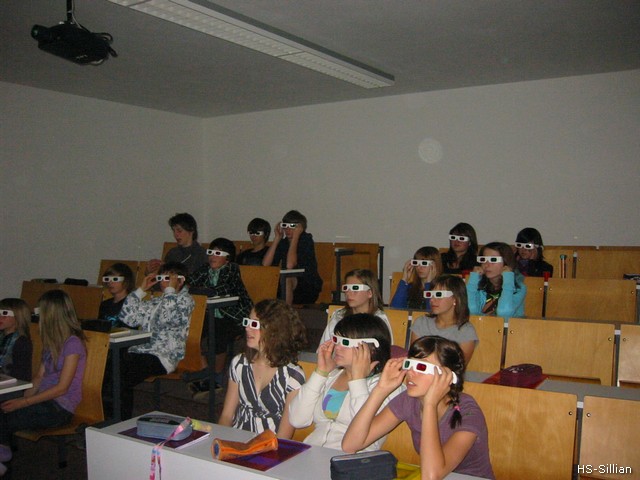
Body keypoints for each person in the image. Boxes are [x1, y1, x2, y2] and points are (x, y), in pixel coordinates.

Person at [342, 336, 495, 480]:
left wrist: (430, 404)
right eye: (410, 364)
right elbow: (350, 445)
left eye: (422, 367)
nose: (410, 373)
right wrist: (381, 390)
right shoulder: (409, 400)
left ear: (448, 376)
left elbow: (431, 476)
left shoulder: (468, 412)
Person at [1, 291, 87, 476]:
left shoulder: (73, 343)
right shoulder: (51, 342)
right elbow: (39, 377)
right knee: (4, 409)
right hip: (44, 401)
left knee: (7, 418)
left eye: (40, 311)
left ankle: (3, 461)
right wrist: (20, 398)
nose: (37, 315)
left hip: (60, 408)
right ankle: (3, 457)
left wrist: (23, 403)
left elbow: (61, 389)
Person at [289, 313, 401, 450]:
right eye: (336, 340)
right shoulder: (331, 376)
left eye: (346, 342)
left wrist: (358, 380)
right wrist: (320, 372)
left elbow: (362, 430)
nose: (337, 347)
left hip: (352, 459)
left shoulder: (387, 385)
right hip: (313, 453)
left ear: (371, 349)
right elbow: (297, 420)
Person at [219, 299, 306, 438]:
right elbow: (227, 415)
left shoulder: (292, 376)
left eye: (254, 324)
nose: (247, 328)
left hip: (270, 444)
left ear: (274, 330)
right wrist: (221, 440)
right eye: (247, 322)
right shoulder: (239, 363)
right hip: (237, 439)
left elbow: (284, 436)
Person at [118, 262, 194, 419]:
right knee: (113, 367)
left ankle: (120, 420)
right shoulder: (156, 300)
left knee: (122, 375)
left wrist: (170, 291)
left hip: (164, 356)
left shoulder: (186, 301)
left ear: (180, 281)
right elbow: (127, 318)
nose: (163, 283)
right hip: (142, 350)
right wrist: (140, 291)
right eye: (161, 278)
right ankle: (110, 417)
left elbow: (168, 319)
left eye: (168, 279)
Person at [189, 237, 253, 388]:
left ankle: (216, 377)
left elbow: (221, 290)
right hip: (210, 314)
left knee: (218, 334)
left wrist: (202, 291)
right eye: (210, 252)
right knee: (192, 331)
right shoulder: (205, 269)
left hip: (234, 315)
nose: (212, 256)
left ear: (227, 258)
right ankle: (205, 370)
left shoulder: (232, 269)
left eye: (218, 253)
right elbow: (190, 282)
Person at [410, 275, 477, 365]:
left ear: (455, 298)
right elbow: (415, 358)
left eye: (439, 295)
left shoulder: (466, 331)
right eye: (430, 294)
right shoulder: (421, 323)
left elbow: (458, 366)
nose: (432, 300)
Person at [319, 269, 392, 347]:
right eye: (346, 288)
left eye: (355, 288)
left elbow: (385, 351)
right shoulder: (338, 316)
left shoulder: (379, 320)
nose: (348, 293)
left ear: (370, 293)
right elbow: (323, 346)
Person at [262, 210, 323, 305]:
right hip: (286, 283)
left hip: (307, 285)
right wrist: (277, 239)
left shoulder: (306, 239)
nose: (287, 229)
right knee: (264, 276)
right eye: (285, 226)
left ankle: (286, 312)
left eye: (292, 226)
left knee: (287, 278)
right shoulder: (283, 243)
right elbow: (265, 264)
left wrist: (295, 237)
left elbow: (290, 265)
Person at [467, 242, 526, 320]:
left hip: (509, 327)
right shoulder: (478, 285)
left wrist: (508, 277)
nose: (486, 265)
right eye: (483, 259)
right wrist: (473, 280)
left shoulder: (519, 288)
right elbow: (470, 311)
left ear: (506, 262)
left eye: (493, 260)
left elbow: (504, 313)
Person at [391, 247, 443, 311]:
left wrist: (428, 284)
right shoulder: (409, 287)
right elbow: (395, 309)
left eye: (424, 263)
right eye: (416, 262)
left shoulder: (442, 289)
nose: (419, 267)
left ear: (435, 265)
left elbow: (432, 313)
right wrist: (404, 279)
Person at [0, 299, 33, 382]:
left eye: (5, 313)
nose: (0, 317)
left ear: (18, 316)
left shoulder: (21, 342)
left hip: (11, 384)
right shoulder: (2, 337)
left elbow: (21, 375)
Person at [99, 263, 136, 327]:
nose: (110, 282)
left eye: (115, 279)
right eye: (107, 279)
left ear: (126, 281)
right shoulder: (105, 305)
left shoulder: (131, 305)